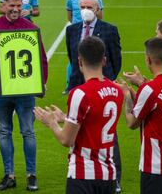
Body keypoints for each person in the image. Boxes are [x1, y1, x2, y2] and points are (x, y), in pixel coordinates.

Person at [0, 0, 48, 191]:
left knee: (28, 132)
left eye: (19, 6)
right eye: (12, 5)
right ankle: (9, 175)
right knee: (5, 132)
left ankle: (31, 175)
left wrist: (41, 82)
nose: (16, 9)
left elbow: (41, 58)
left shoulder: (31, 27)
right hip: (0, 91)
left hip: (24, 91)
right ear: (3, 5)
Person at [34, 36, 124, 194]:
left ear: (80, 62)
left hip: (83, 174)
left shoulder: (79, 93)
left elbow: (66, 140)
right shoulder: (117, 90)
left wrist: (52, 123)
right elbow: (96, 118)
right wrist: (66, 118)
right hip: (109, 174)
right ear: (104, 60)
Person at [65, 0, 123, 193]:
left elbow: (116, 60)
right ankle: (77, 165)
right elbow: (72, 59)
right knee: (78, 131)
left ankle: (114, 177)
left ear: (98, 9)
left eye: (89, 6)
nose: (85, 10)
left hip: (100, 89)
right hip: (78, 87)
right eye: (81, 7)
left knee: (108, 136)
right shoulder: (72, 30)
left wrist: (104, 83)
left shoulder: (109, 30)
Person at [120, 37, 162, 194]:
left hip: (156, 167)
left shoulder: (150, 89)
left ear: (148, 59)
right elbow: (157, 105)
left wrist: (126, 95)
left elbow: (132, 122)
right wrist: (136, 90)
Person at [63, 0, 104, 95]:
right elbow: (69, 17)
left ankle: (95, 82)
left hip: (91, 32)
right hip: (78, 33)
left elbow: (100, 16)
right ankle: (69, 85)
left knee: (93, 58)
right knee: (73, 60)